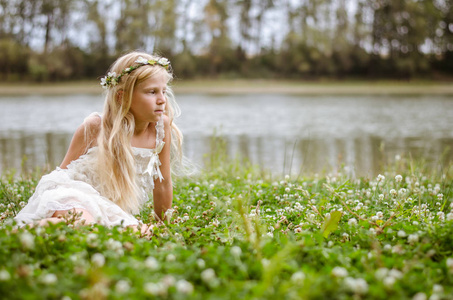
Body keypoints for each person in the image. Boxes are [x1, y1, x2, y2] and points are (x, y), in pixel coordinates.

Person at [14, 51, 183, 232]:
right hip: (73, 197)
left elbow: (163, 184)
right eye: (151, 92)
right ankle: (16, 234)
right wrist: (55, 202)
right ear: (122, 97)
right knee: (85, 224)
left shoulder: (160, 127)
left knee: (139, 233)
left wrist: (162, 227)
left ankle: (37, 231)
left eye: (163, 91)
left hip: (106, 209)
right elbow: (60, 176)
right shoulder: (97, 126)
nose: (162, 100)